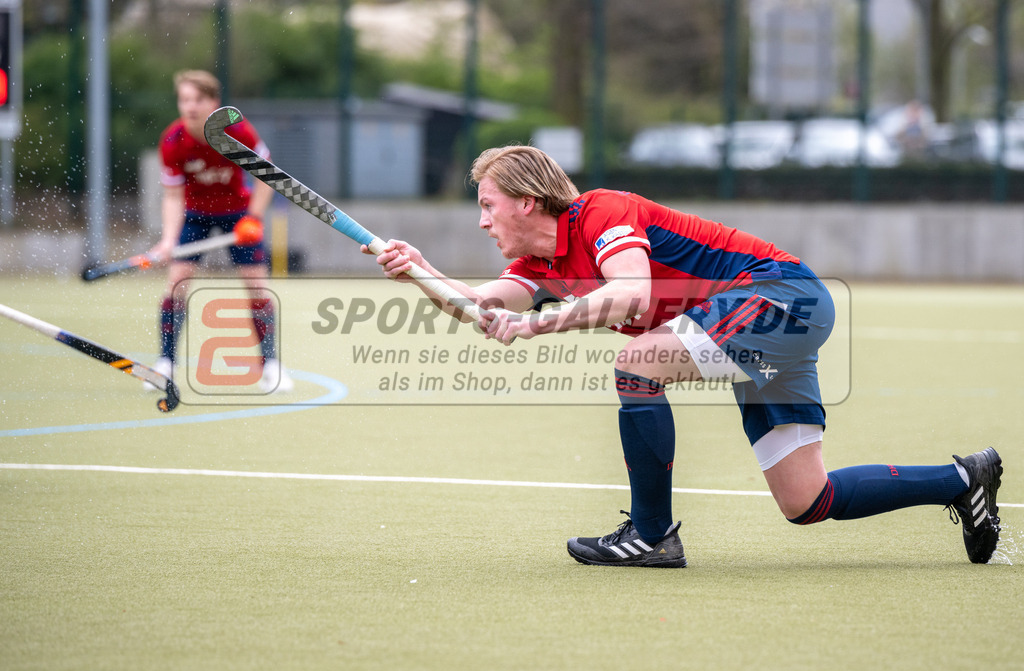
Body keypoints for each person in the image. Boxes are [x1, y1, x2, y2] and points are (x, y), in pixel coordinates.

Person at [369, 144, 1003, 568]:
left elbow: (631, 293)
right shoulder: (540, 263)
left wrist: (537, 329)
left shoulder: (601, 213)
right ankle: (963, 478)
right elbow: (484, 307)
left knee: (638, 363)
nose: (482, 221)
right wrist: (422, 272)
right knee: (806, 501)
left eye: (487, 204)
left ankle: (651, 534)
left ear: (526, 201)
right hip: (758, 325)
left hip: (779, 297)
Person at [147, 70, 292, 393]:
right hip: (195, 216)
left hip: (238, 215)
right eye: (185, 100)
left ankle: (270, 365)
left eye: (198, 99)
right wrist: (169, 240)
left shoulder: (236, 131)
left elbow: (268, 175)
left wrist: (253, 217)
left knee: (257, 287)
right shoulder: (173, 141)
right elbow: (172, 196)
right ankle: (165, 363)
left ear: (214, 102)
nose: (191, 107)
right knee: (176, 285)